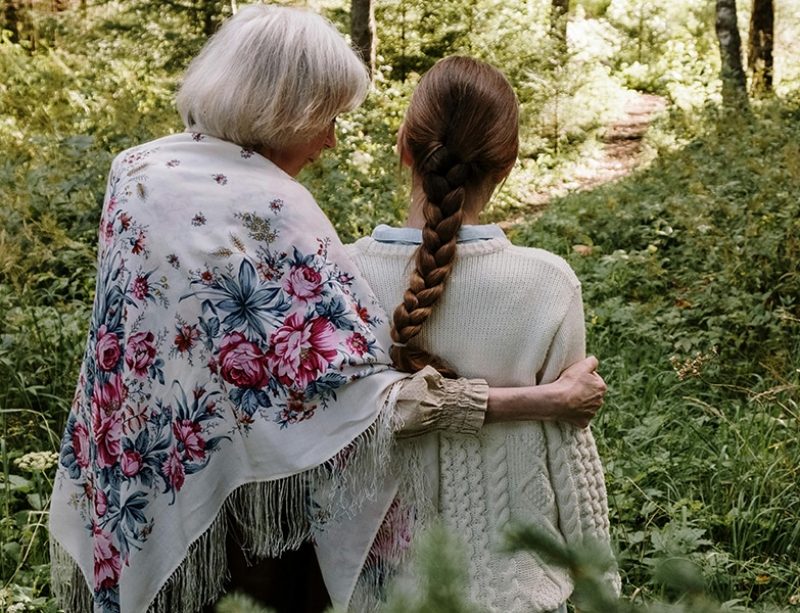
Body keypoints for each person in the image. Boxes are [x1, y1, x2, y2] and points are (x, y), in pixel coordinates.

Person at [47, 7, 606, 613]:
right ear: (281, 112)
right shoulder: (279, 211)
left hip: (145, 474)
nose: (331, 140)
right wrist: (543, 402)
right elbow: (363, 401)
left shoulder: (136, 173)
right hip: (252, 521)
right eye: (328, 119)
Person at [343, 56, 619, 612]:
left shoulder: (338, 275)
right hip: (517, 592)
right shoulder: (546, 283)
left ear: (405, 147)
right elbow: (569, 445)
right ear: (510, 162)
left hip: (375, 591)